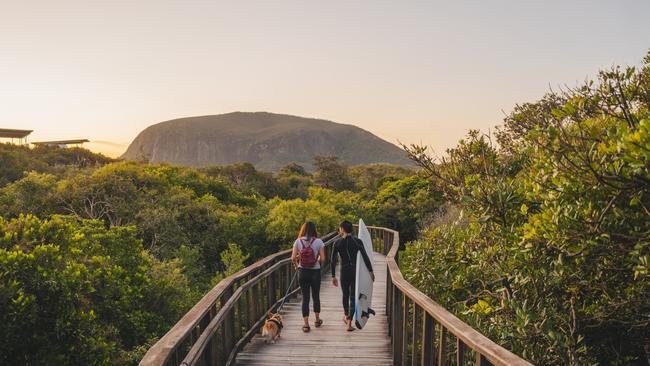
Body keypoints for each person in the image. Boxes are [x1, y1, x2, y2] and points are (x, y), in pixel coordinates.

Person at [331, 220, 374, 331]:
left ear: (343, 229)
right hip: (355, 271)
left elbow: (332, 261)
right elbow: (365, 256)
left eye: (340, 228)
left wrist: (333, 276)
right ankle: (349, 322)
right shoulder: (357, 241)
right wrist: (370, 271)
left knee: (345, 295)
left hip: (344, 271)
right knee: (353, 296)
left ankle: (346, 315)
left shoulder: (337, 243)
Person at [291, 221, 326, 332]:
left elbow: (293, 258)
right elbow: (323, 258)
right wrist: (316, 261)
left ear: (303, 229)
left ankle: (306, 324)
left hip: (303, 272)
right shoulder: (319, 241)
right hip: (315, 272)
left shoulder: (298, 241)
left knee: (305, 298)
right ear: (314, 229)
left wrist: (297, 266)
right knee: (316, 296)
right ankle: (317, 319)